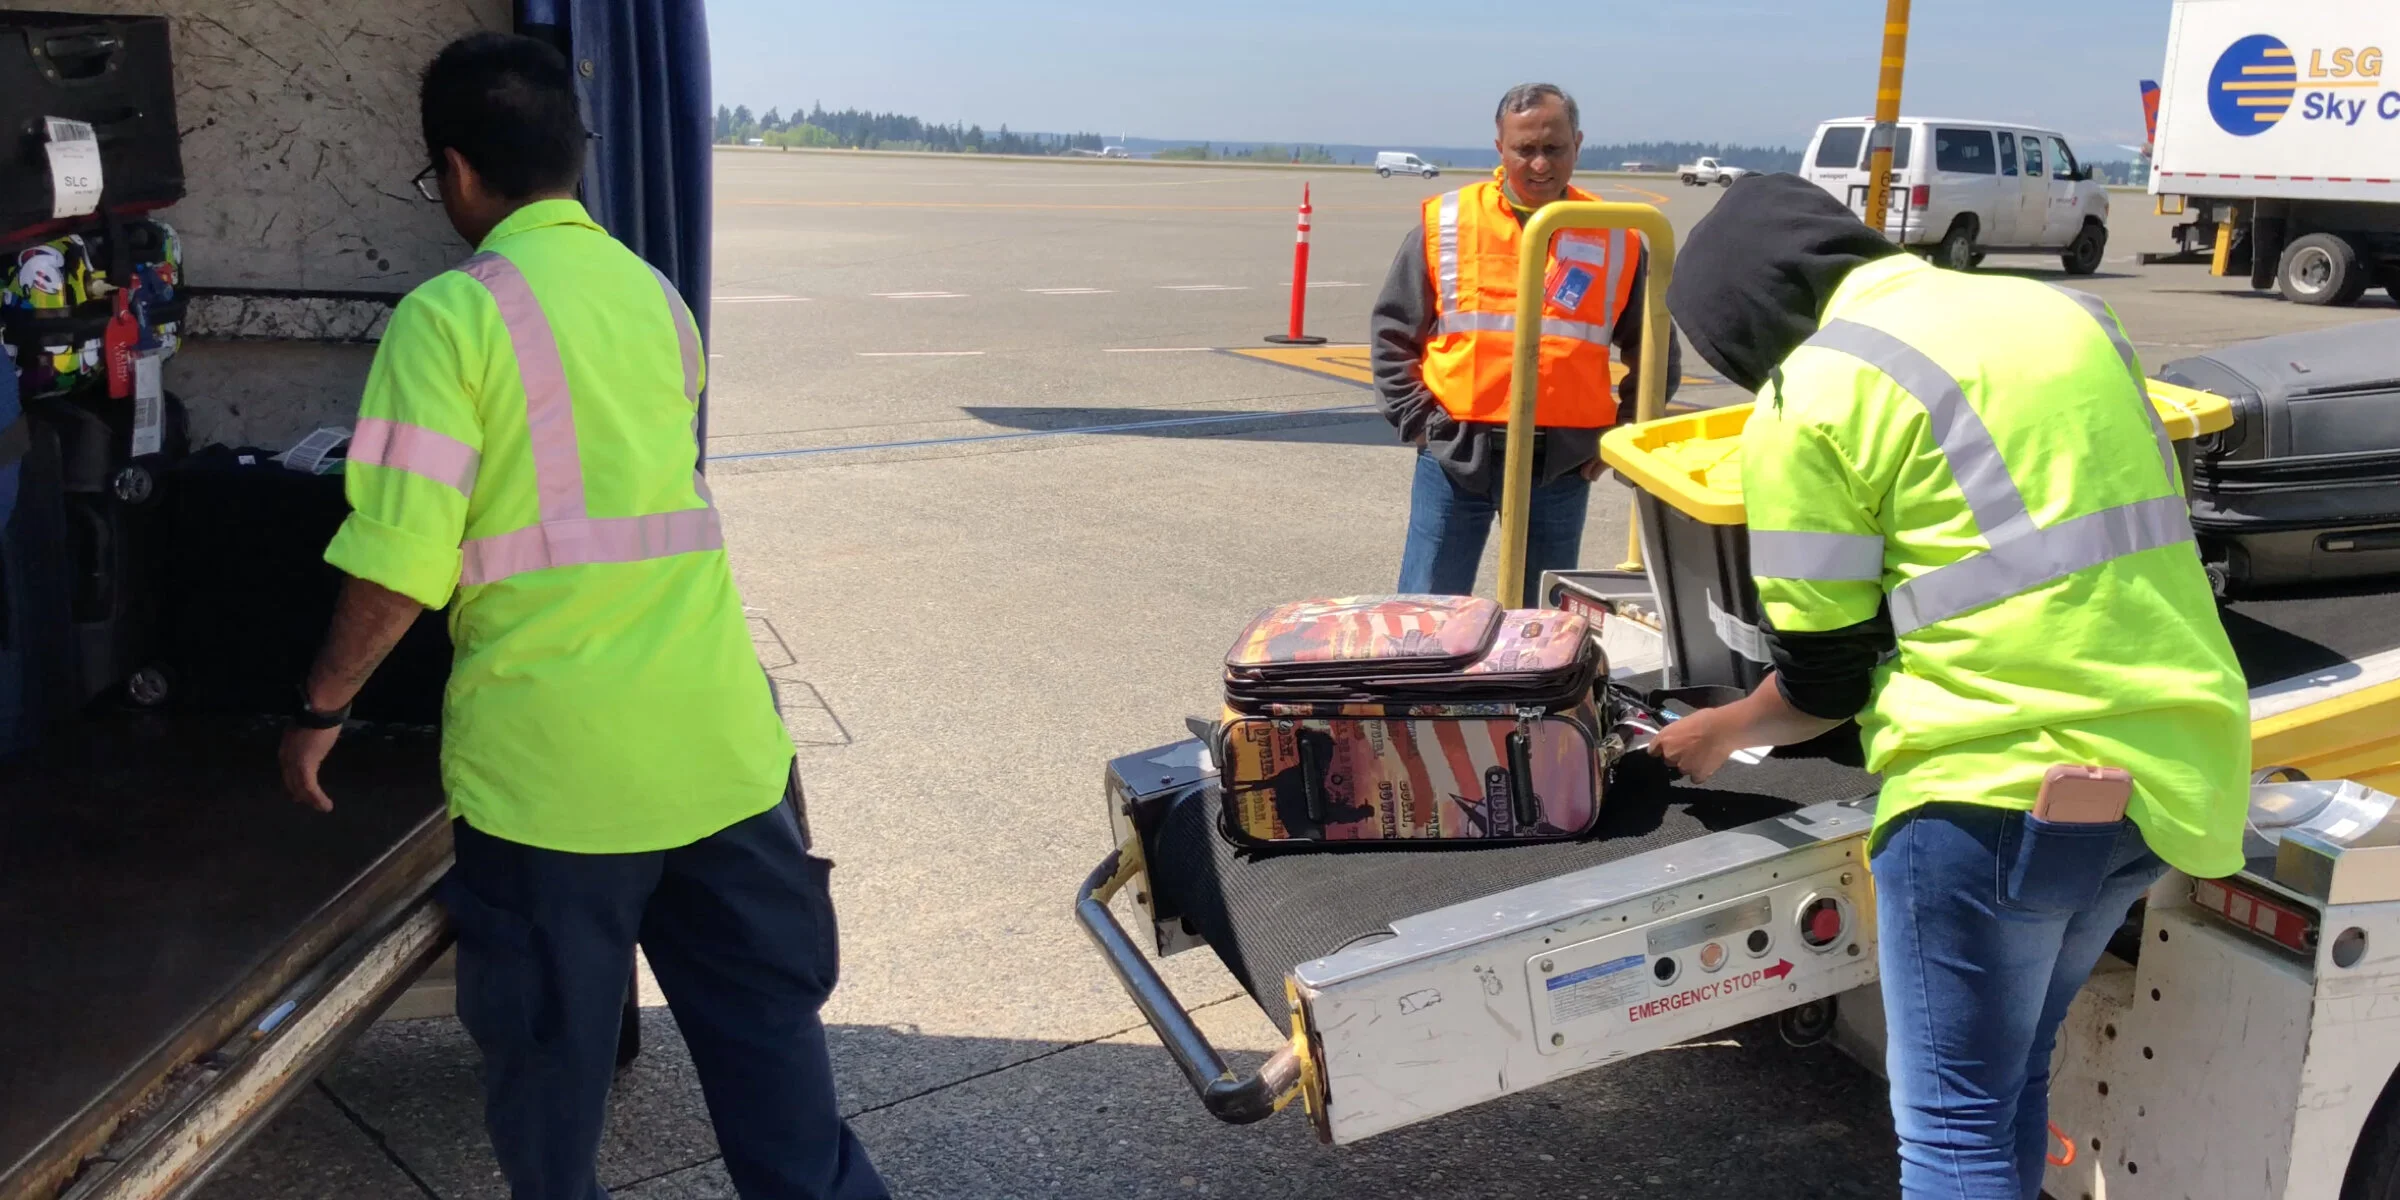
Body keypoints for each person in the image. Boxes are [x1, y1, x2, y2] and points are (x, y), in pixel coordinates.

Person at [277, 33, 885, 1200]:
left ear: (456, 172)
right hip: (720, 754)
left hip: (556, 784)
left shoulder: (449, 320)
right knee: (777, 1075)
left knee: (552, 1098)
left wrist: (319, 709)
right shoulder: (657, 299)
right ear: (576, 154)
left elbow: (400, 564)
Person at [1650, 174, 2248, 1200]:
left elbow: (1822, 684)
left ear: (1746, 321)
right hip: (2167, 768)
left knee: (1952, 1131)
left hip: (1991, 794)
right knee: (2010, 1081)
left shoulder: (1814, 394)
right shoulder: (2067, 314)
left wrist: (1722, 730)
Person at [1371, 82, 1679, 606]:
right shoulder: (1449, 221)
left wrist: (1622, 431)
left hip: (1559, 464)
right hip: (1455, 452)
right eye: (1525, 149)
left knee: (1542, 619)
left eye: (1554, 148)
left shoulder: (1616, 233)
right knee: (1427, 613)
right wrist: (1420, 421)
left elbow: (1655, 349)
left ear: (1578, 144)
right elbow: (1393, 330)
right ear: (1500, 147)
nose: (1539, 164)